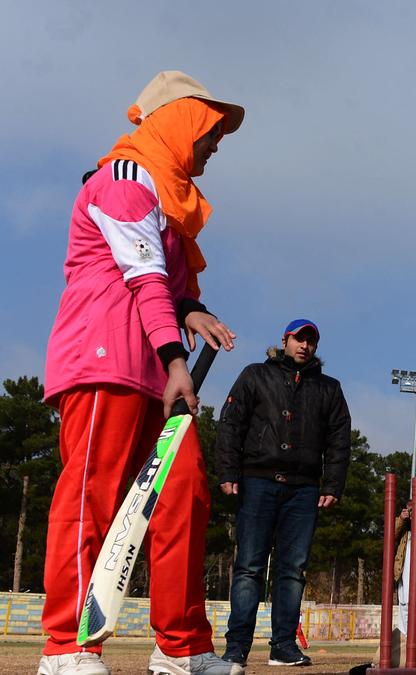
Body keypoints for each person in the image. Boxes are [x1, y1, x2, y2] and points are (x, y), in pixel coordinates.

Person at [38, 70, 244, 675]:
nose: (215, 145)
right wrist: (177, 358)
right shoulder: (125, 180)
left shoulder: (169, 199)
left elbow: (169, 286)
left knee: (184, 495)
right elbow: (143, 277)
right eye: (209, 132)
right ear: (178, 122)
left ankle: (182, 649)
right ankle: (67, 647)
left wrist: (193, 310)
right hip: (108, 359)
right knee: (92, 497)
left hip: (155, 367)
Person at [216, 320, 352, 667]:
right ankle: (237, 647)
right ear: (285, 340)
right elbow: (231, 422)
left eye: (311, 340)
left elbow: (339, 440)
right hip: (257, 481)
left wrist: (333, 484)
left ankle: (283, 646)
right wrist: (228, 471)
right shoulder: (255, 374)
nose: (305, 345)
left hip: (304, 489)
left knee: (293, 569)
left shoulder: (329, 388)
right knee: (248, 567)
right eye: (299, 338)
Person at [378, 500, 416, 667]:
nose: (411, 513)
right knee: (403, 614)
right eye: (409, 510)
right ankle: (402, 654)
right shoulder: (403, 525)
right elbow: (389, 535)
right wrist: (401, 519)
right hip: (404, 578)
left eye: (414, 510)